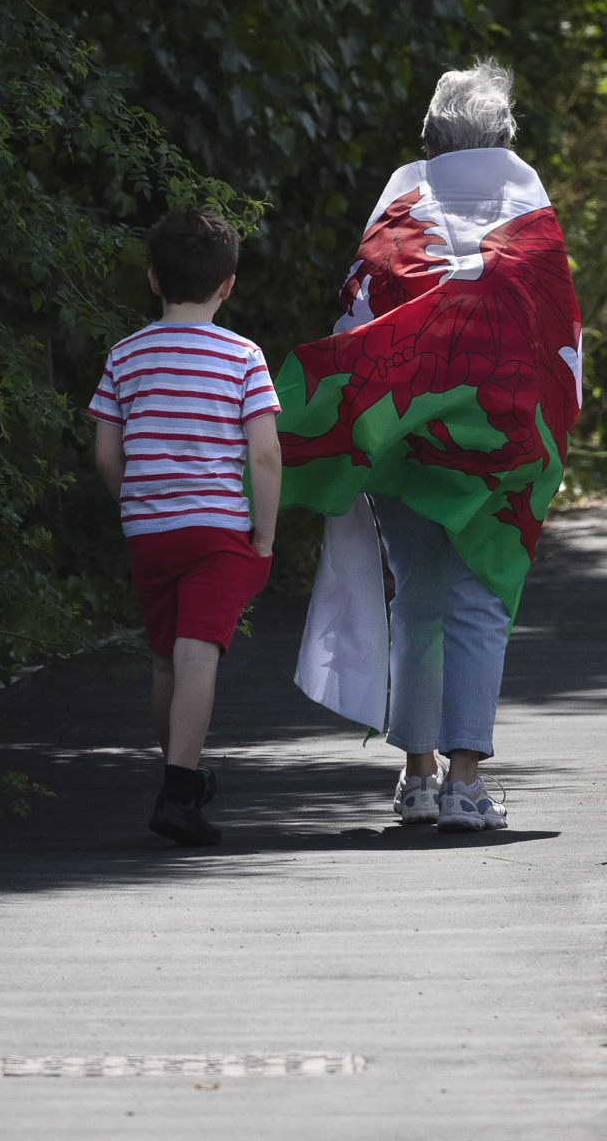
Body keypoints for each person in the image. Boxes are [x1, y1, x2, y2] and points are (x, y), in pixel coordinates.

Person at [275, 59, 582, 832]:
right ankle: (467, 784)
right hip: (498, 438)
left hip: (403, 440)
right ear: (504, 137)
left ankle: (417, 776)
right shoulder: (529, 207)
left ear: (431, 137)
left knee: (415, 595)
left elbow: (359, 312)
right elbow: (557, 329)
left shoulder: (401, 202)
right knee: (479, 594)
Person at [90, 206, 282, 847]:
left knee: (165, 659)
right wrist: (264, 532)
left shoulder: (125, 356)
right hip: (216, 533)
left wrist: (136, 503)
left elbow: (106, 454)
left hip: (149, 532)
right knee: (199, 653)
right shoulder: (243, 357)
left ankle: (183, 776)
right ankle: (177, 791)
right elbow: (264, 451)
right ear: (228, 283)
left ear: (152, 279)